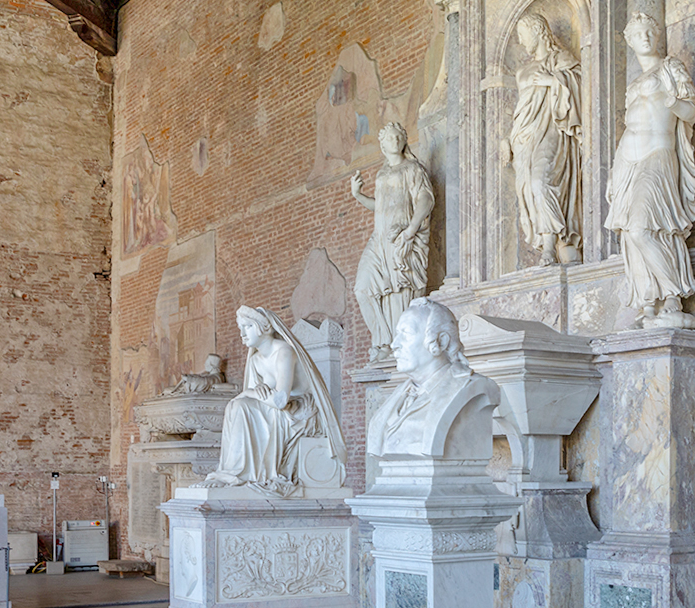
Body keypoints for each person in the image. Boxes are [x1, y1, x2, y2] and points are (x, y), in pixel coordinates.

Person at [606, 12, 695, 329]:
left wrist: (674, 101)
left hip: (658, 155)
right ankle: (650, 301)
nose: (645, 38)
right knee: (630, 234)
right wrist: (614, 173)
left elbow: (690, 112)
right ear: (630, 41)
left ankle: (672, 296)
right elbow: (628, 128)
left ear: (657, 35)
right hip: (628, 161)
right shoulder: (633, 83)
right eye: (638, 34)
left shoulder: (670, 68)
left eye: (649, 32)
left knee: (643, 228)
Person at [204, 306, 345, 494]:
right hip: (281, 408)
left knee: (241, 407)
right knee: (236, 406)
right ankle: (235, 472)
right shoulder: (255, 361)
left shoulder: (284, 351)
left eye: (247, 327)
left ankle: (240, 474)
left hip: (300, 411)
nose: (242, 334)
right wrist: (252, 394)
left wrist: (251, 393)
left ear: (263, 327)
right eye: (240, 328)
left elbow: (280, 401)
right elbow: (257, 396)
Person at [365, 298, 494, 460]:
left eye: (406, 334)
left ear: (441, 342)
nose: (394, 344)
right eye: (397, 334)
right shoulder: (399, 395)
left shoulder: (471, 387)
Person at [350, 121, 434, 362]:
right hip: (380, 240)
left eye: (399, 137)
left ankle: (395, 346)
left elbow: (425, 200)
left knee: (398, 292)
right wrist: (358, 195)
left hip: (401, 239)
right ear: (382, 144)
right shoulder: (382, 173)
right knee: (363, 288)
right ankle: (382, 339)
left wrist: (410, 231)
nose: (395, 141)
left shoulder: (413, 169)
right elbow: (381, 208)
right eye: (391, 138)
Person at [507, 13, 583, 266]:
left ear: (538, 31)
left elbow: (579, 85)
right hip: (523, 136)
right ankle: (554, 242)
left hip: (552, 128)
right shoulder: (522, 72)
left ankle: (551, 245)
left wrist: (554, 81)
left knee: (541, 181)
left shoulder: (561, 59)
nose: (520, 40)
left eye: (522, 34)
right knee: (527, 188)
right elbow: (521, 108)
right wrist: (508, 139)